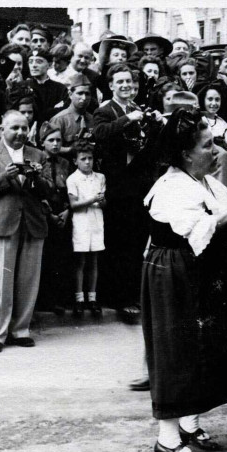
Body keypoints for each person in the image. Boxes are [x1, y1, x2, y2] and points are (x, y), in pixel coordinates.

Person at [141, 108, 227, 452]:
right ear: (185, 153)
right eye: (208, 145)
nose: (216, 150)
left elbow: (218, 221)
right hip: (173, 273)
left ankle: (189, 423)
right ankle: (167, 439)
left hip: (198, 269)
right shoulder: (172, 187)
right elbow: (198, 228)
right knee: (177, 349)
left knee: (203, 345)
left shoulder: (203, 181)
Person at [0, 110, 55, 352]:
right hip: (1, 222)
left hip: (32, 222)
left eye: (24, 128)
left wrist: (37, 178)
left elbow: (50, 191)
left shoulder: (38, 154)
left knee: (28, 280)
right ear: (2, 130)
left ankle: (20, 330)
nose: (20, 132)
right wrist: (4, 177)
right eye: (14, 128)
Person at [91, 63, 149, 321]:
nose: (125, 85)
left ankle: (133, 294)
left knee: (136, 241)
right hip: (116, 184)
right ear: (111, 85)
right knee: (120, 242)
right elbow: (100, 134)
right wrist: (127, 120)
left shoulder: (137, 108)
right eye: (120, 82)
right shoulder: (105, 110)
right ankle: (119, 299)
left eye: (129, 81)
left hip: (137, 183)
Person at [36, 122, 72, 316]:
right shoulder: (38, 161)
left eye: (59, 140)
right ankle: (43, 300)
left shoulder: (66, 163)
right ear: (42, 142)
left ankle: (58, 299)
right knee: (45, 257)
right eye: (51, 140)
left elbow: (70, 188)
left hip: (63, 211)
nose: (56, 144)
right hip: (45, 211)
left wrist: (67, 211)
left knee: (61, 257)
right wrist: (48, 213)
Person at [67, 140, 106, 317]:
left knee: (95, 260)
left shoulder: (100, 177)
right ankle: (79, 299)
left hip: (97, 221)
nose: (88, 162)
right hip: (81, 221)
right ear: (76, 161)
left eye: (90, 158)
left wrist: (102, 201)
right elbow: (74, 205)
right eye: (83, 159)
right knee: (81, 261)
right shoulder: (72, 179)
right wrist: (92, 199)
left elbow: (104, 202)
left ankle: (93, 298)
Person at [49, 73, 94, 160]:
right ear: (70, 94)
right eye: (80, 93)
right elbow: (49, 147)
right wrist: (70, 150)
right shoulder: (59, 120)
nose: (84, 98)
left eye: (87, 94)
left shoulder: (92, 120)